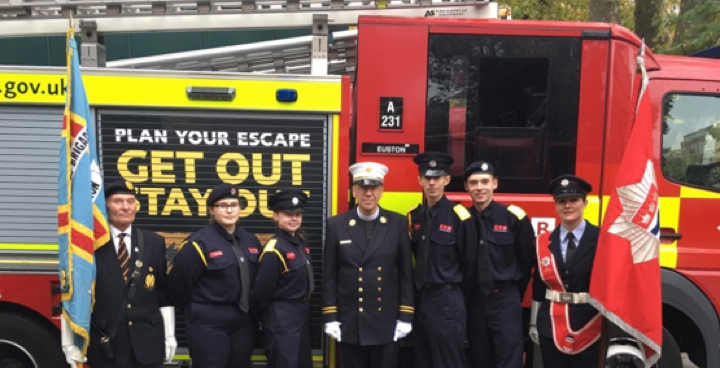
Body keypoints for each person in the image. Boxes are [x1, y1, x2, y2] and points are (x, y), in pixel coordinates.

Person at [62, 180, 176, 368]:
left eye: (130, 201)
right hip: (108, 345)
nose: (126, 207)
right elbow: (75, 294)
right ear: (104, 206)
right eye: (118, 201)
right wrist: (69, 342)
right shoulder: (89, 244)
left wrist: (169, 335)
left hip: (148, 343)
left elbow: (162, 294)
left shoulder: (154, 242)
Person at [322, 161, 414, 368]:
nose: (368, 194)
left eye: (373, 188)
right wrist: (330, 316)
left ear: (382, 191)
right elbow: (330, 275)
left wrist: (405, 315)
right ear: (354, 191)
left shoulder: (398, 223)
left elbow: (406, 274)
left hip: (386, 321)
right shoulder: (336, 225)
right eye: (363, 188)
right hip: (350, 321)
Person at [168, 183, 262, 368]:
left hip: (243, 322)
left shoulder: (250, 240)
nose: (229, 210)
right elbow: (178, 286)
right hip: (208, 323)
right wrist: (198, 312)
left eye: (234, 205)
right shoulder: (198, 243)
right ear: (211, 210)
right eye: (222, 206)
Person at [462, 161, 535, 368]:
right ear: (466, 187)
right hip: (475, 300)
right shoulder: (462, 219)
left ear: (495, 183)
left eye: (485, 182)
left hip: (505, 299)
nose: (479, 188)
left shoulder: (514, 217)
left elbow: (526, 261)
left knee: (509, 359)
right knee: (479, 358)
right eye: (473, 183)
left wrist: (511, 293)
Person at [407, 152, 475, 368]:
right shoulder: (414, 216)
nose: (432, 182)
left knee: (449, 361)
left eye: (437, 177)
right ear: (420, 180)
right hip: (420, 299)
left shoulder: (460, 216)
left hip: (447, 300)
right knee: (422, 359)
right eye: (427, 177)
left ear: (447, 179)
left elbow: (470, 263)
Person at [529, 174, 603, 368]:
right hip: (551, 324)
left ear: (585, 203)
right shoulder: (543, 241)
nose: (567, 206)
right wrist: (534, 323)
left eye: (574, 200)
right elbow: (538, 284)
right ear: (555, 205)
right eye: (562, 201)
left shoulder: (602, 239)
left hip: (590, 323)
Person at [251, 189, 313, 368]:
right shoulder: (274, 250)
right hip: (281, 316)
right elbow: (261, 292)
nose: (294, 218)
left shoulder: (300, 243)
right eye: (288, 214)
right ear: (276, 216)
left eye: (297, 214)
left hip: (300, 314)